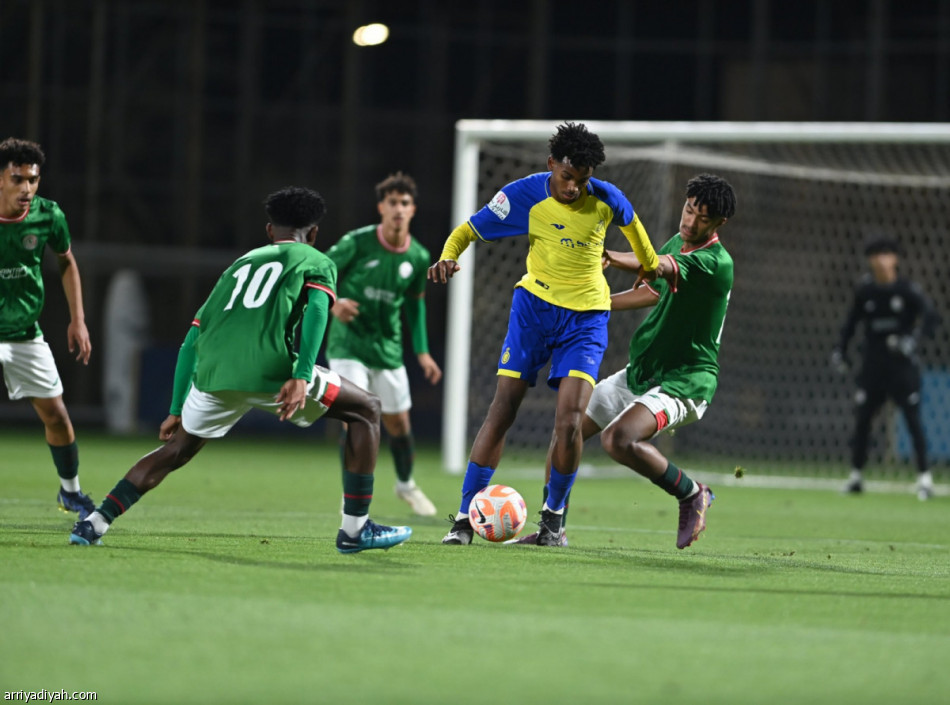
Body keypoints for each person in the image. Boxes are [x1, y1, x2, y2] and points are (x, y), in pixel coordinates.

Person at [68, 186, 412, 553]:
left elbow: (191, 339)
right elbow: (316, 311)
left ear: (269, 231)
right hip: (272, 372)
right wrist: (301, 373)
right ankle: (356, 530)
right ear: (313, 234)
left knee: (176, 450)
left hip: (214, 376)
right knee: (368, 410)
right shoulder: (316, 259)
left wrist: (175, 409)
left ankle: (95, 522)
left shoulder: (238, 266)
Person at [428, 121, 660, 546]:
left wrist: (645, 268)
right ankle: (464, 518)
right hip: (532, 310)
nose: (574, 188)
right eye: (567, 177)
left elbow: (647, 254)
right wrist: (447, 256)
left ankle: (553, 522)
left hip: (586, 319)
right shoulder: (524, 194)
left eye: (583, 180)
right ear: (552, 164)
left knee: (570, 422)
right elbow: (467, 231)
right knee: (504, 408)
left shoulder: (609, 200)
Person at [512, 173, 737, 548]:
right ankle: (553, 529)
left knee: (619, 439)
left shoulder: (716, 262)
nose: (690, 221)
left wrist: (613, 257)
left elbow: (658, 267)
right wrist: (596, 302)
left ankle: (692, 493)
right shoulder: (679, 242)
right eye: (688, 210)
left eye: (702, 218)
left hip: (686, 381)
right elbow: (652, 291)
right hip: (642, 372)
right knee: (566, 432)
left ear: (718, 224)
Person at [325, 172, 441, 517]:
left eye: (404, 203)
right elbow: (320, 271)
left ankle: (406, 485)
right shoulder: (357, 242)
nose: (398, 209)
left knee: (398, 425)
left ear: (413, 209)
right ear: (381, 207)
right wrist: (334, 303)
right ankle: (353, 494)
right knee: (355, 419)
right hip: (348, 345)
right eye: (392, 202)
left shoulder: (419, 256)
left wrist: (421, 352)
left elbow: (415, 303)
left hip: (387, 350)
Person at [0, 137, 94, 520]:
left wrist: (78, 319)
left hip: (23, 332)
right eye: (18, 179)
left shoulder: (48, 216)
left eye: (33, 180)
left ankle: (70, 493)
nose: (27, 188)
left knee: (56, 415)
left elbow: (67, 262)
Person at [832, 237, 940, 500]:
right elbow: (851, 323)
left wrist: (912, 341)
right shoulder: (865, 290)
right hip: (872, 366)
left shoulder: (907, 290)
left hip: (901, 367)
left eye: (886, 254)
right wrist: (841, 351)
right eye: (875, 255)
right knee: (863, 420)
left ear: (896, 259)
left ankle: (924, 479)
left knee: (913, 420)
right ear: (870, 260)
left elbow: (931, 317)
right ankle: (856, 476)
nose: (881, 260)